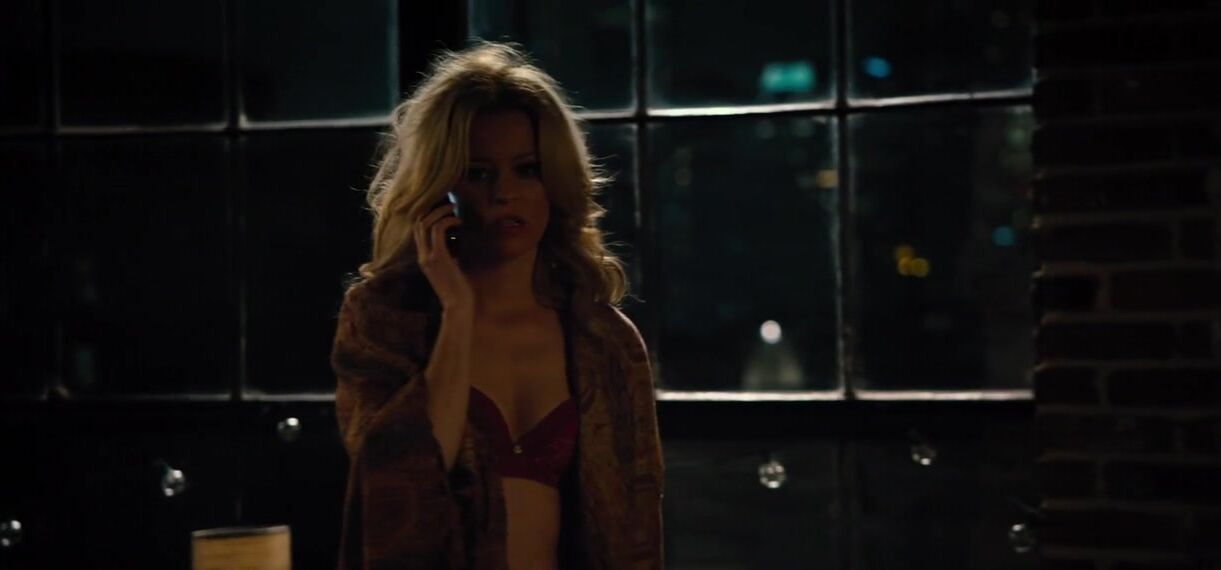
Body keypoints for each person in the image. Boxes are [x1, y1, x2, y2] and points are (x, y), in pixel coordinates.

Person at [330, 42, 664, 569]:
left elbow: (635, 532)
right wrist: (457, 313)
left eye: (526, 169)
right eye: (479, 173)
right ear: (442, 187)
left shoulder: (604, 339)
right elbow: (402, 485)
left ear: (553, 181)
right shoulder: (385, 322)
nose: (504, 193)